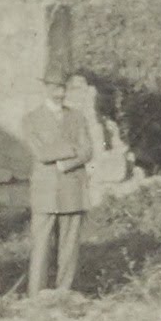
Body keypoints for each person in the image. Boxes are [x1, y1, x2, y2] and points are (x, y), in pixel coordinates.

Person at [17, 66, 108, 298]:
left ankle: (64, 295)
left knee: (69, 247)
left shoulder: (77, 117)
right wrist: (72, 148)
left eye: (63, 87)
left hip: (72, 188)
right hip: (45, 191)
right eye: (55, 87)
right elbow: (41, 154)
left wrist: (66, 163)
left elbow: (88, 151)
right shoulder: (31, 120)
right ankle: (36, 296)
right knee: (41, 248)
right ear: (46, 88)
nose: (60, 92)